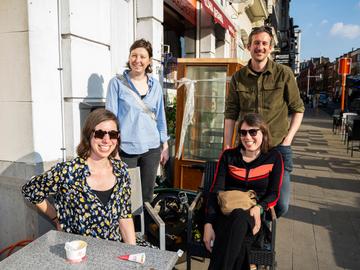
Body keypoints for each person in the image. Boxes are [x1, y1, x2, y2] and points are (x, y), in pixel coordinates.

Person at [22, 109, 136, 245]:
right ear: (89, 135)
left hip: (114, 248)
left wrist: (132, 253)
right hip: (78, 251)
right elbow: (30, 190)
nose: (106, 140)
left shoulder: (121, 170)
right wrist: (56, 218)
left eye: (112, 134)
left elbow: (125, 217)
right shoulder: (68, 171)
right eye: (100, 134)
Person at [224, 26, 305, 217]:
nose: (260, 47)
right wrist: (227, 144)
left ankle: (263, 227)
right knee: (247, 198)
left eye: (264, 43)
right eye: (256, 43)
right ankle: (256, 237)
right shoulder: (238, 78)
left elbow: (298, 109)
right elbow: (230, 113)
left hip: (277, 147)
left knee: (280, 204)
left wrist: (288, 141)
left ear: (270, 48)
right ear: (249, 46)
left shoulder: (284, 74)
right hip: (248, 149)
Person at [203, 113, 283, 270]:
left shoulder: (273, 157)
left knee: (240, 218)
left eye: (253, 132)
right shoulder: (229, 156)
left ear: (263, 133)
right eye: (243, 132)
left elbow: (274, 193)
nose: (248, 137)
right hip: (224, 215)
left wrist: (260, 208)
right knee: (239, 233)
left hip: (253, 217)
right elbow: (215, 191)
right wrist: (208, 224)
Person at [106, 39, 169, 203]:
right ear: (129, 57)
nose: (137, 60)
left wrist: (165, 145)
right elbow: (110, 118)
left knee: (147, 196)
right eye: (134, 55)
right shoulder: (117, 83)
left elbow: (160, 117)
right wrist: (113, 149)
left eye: (142, 56)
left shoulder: (155, 85)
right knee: (127, 197)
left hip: (152, 148)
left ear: (149, 61)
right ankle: (128, 229)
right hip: (126, 149)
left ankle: (146, 229)